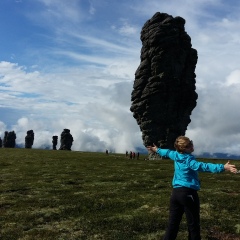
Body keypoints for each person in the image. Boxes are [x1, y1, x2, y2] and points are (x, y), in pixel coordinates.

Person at [147, 136, 237, 240]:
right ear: (185, 148)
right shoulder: (189, 160)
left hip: (175, 194)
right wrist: (223, 167)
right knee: (193, 226)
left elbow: (167, 152)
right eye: (189, 144)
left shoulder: (175, 155)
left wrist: (156, 150)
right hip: (188, 194)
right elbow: (203, 166)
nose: (192, 145)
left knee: (172, 225)